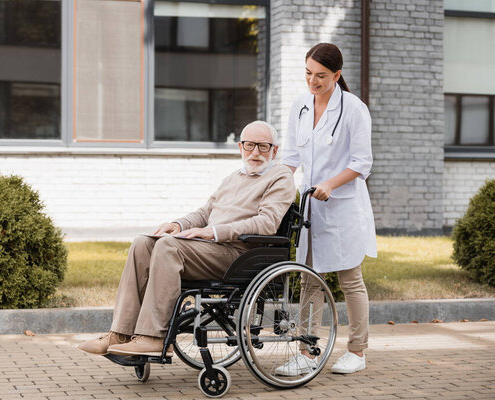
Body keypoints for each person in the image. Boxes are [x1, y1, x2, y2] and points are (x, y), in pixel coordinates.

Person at [78, 120, 295, 357]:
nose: (255, 152)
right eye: (250, 145)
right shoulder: (234, 177)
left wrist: (212, 232)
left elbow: (267, 223)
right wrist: (178, 224)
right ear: (240, 147)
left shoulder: (280, 177)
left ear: (274, 150)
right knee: (143, 243)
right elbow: (205, 213)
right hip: (211, 248)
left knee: (169, 247)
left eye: (263, 146)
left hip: (240, 253)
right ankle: (120, 332)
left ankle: (154, 337)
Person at [277, 43, 377, 375]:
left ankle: (357, 351)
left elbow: (362, 163)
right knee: (310, 280)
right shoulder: (300, 106)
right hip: (311, 208)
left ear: (336, 75)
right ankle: (307, 354)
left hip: (344, 206)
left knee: (350, 280)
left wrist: (332, 184)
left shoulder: (354, 109)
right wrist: (270, 185)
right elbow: (290, 157)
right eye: (308, 73)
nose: (313, 81)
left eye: (321, 75)